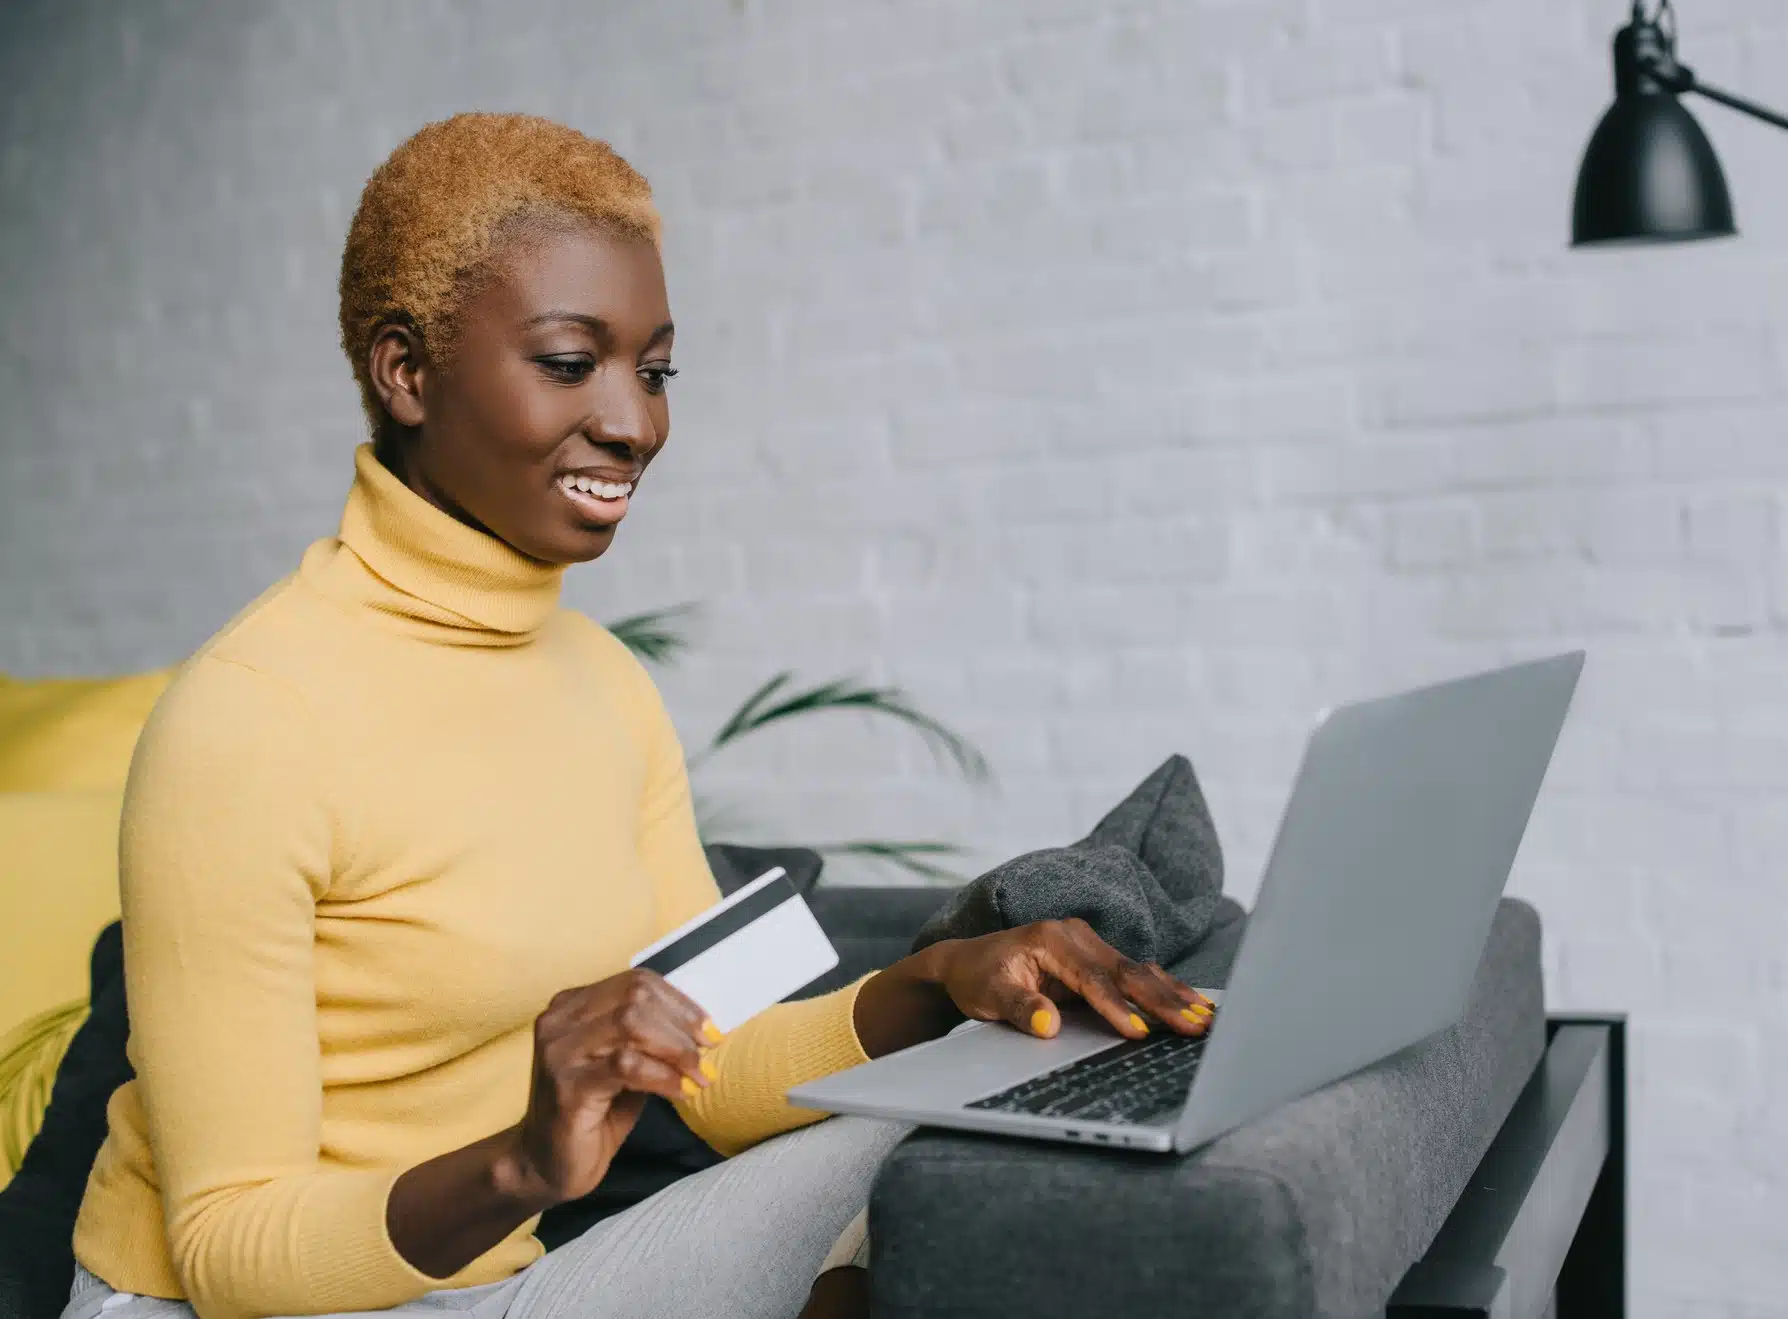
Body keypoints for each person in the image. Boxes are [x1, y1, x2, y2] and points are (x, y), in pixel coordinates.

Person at [60, 113, 1214, 1319]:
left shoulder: (602, 684)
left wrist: (941, 982)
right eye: (570, 363)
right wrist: (519, 1162)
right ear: (405, 372)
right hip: (231, 1304)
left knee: (954, 1145)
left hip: (482, 1285)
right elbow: (232, 1246)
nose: (635, 424)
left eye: (653, 371)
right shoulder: (250, 719)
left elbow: (709, 1073)